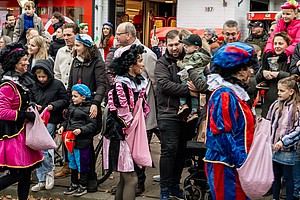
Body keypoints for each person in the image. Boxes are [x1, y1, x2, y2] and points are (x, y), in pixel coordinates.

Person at [204, 42, 256, 199]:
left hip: (232, 164)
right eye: (248, 68)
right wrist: (241, 162)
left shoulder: (234, 94)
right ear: (239, 72)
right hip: (226, 165)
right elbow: (222, 135)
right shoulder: (225, 95)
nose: (251, 72)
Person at [114, 22, 158, 195]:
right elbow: (122, 112)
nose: (116, 36)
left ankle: (138, 182)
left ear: (129, 35)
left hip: (139, 123)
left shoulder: (147, 54)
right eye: (138, 61)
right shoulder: (122, 84)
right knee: (128, 174)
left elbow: (155, 82)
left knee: (129, 173)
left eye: (119, 33)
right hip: (126, 130)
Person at [155, 29, 198, 200]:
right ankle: (164, 188)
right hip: (168, 113)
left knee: (182, 152)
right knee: (169, 151)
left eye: (177, 44)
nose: (174, 48)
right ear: (166, 45)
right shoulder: (162, 63)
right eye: (170, 44)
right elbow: (164, 85)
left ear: (182, 43)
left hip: (187, 114)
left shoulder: (189, 59)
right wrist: (190, 90)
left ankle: (175, 185)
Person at [103, 44, 150, 200]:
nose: (142, 64)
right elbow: (123, 115)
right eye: (140, 60)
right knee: (131, 179)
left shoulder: (135, 83)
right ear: (130, 65)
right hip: (120, 135)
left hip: (128, 134)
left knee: (125, 179)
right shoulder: (121, 85)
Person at [0, 43, 43, 200]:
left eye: (27, 59)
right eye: (23, 60)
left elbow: (20, 103)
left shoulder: (20, 81)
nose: (27, 63)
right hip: (12, 135)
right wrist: (24, 115)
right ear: (14, 62)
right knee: (19, 173)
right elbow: (2, 112)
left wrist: (32, 107)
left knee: (26, 174)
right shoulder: (7, 85)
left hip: (23, 133)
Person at [68, 33, 107, 192]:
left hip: (89, 106)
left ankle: (90, 178)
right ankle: (76, 180)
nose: (75, 48)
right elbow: (70, 83)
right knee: (73, 144)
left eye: (78, 45)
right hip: (74, 105)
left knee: (86, 144)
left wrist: (96, 103)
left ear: (86, 46)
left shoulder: (97, 62)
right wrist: (68, 104)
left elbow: (101, 85)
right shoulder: (76, 62)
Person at [29, 59, 69, 192]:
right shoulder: (34, 85)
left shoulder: (57, 84)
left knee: (44, 147)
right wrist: (34, 104)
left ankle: (48, 172)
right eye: (39, 77)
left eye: (43, 77)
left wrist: (54, 105)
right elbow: (30, 99)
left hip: (51, 118)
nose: (41, 79)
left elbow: (65, 100)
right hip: (37, 119)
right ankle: (42, 177)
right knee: (37, 148)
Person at [58, 84, 97, 197]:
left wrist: (81, 130)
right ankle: (74, 183)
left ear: (83, 97)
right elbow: (67, 120)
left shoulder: (89, 109)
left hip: (82, 141)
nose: (72, 98)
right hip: (70, 140)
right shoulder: (71, 107)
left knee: (82, 164)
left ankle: (83, 185)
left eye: (75, 96)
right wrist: (62, 126)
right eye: (72, 96)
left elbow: (92, 125)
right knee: (72, 163)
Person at [266, 75, 300, 200]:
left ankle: (289, 197)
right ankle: (275, 197)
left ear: (291, 92)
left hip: (287, 150)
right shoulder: (276, 104)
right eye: (278, 90)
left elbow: (298, 129)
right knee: (275, 176)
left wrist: (284, 141)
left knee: (287, 176)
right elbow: (269, 120)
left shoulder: (297, 108)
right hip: (273, 147)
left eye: (282, 90)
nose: (278, 93)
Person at [54, 23, 79, 178]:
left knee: (77, 131)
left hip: (79, 97)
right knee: (64, 130)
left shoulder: (81, 51)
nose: (66, 38)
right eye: (64, 35)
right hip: (64, 97)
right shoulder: (60, 52)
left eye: (69, 35)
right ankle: (66, 164)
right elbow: (57, 73)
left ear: (76, 35)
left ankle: (77, 165)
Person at [256, 32, 293, 118]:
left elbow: (294, 77)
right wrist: (263, 73)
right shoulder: (269, 59)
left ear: (288, 45)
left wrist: (279, 74)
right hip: (269, 103)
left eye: (280, 43)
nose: (277, 46)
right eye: (275, 43)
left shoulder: (291, 60)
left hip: (287, 104)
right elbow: (256, 79)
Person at [177, 34, 211, 122]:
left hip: (194, 77)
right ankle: (194, 111)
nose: (185, 47)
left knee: (183, 84)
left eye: (187, 46)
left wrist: (179, 64)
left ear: (196, 47)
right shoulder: (199, 56)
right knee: (194, 95)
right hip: (199, 78)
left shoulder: (195, 56)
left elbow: (188, 66)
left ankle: (182, 104)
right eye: (184, 45)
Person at [263, 0, 300, 67]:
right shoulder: (280, 24)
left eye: (288, 14)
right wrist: (269, 51)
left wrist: (286, 53)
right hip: (281, 53)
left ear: (295, 14)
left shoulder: (299, 25)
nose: (285, 16)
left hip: (292, 56)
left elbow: (297, 42)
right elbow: (271, 39)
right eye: (283, 14)